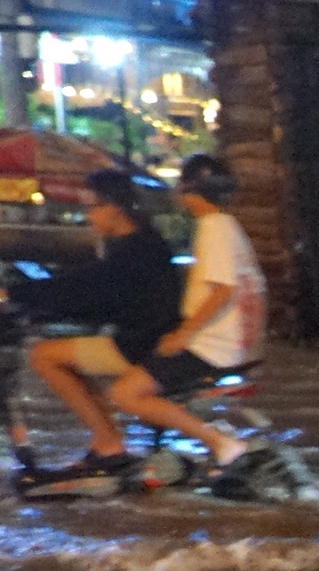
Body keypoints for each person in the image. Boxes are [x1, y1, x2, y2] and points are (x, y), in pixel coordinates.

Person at [1, 168, 180, 486]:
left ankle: (109, 443)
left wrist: (15, 294)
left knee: (43, 356)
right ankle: (106, 440)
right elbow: (94, 291)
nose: (88, 216)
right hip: (142, 334)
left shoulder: (132, 250)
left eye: (92, 208)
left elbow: (88, 288)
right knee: (65, 355)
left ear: (114, 208)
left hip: (140, 342)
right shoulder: (144, 243)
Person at [105, 153, 269, 486]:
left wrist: (183, 334)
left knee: (125, 394)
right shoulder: (227, 225)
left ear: (189, 191)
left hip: (210, 347)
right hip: (233, 346)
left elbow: (223, 290)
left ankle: (218, 442)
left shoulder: (212, 228)